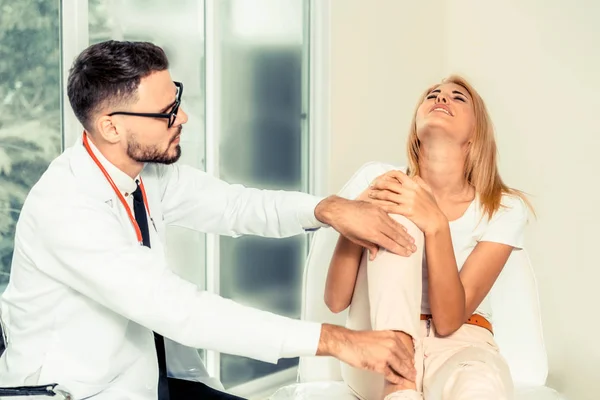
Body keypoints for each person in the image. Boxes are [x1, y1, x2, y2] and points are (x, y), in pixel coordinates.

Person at [0, 40, 418, 400]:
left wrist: (326, 209)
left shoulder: (144, 172)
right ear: (111, 127)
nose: (181, 118)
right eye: (166, 112)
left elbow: (235, 206)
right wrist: (335, 340)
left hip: (148, 377)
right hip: (79, 390)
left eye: (176, 100)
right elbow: (180, 309)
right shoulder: (68, 208)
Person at [324, 75, 532, 400]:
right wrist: (359, 214)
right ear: (416, 125)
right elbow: (335, 301)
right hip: (378, 342)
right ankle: (399, 384)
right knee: (398, 206)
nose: (441, 98)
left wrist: (435, 223)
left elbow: (449, 321)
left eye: (458, 98)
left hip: (461, 343)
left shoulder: (504, 208)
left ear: (475, 135)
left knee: (479, 388)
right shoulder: (380, 182)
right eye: (432, 95)